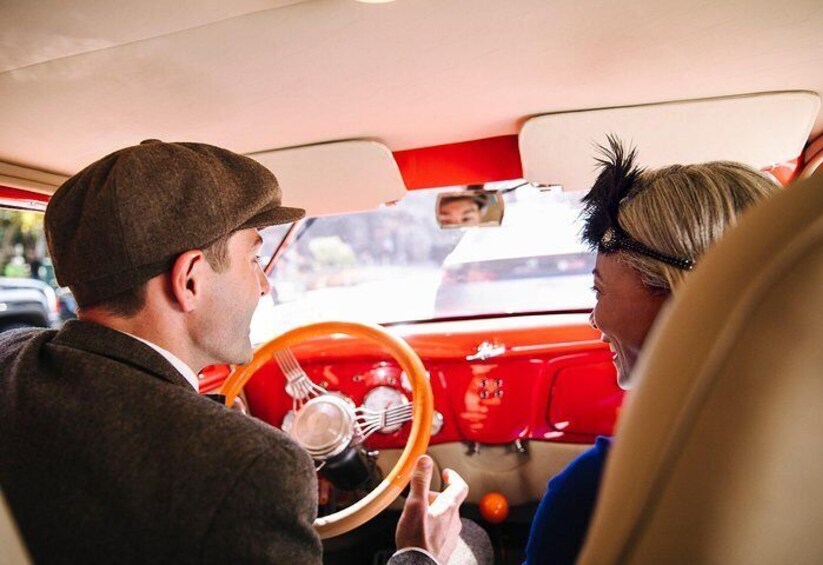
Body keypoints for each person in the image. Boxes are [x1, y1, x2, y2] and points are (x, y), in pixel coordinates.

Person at [0, 140, 470, 564]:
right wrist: (416, 555)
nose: (265, 285)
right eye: (254, 259)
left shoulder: (8, 357)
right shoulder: (252, 466)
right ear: (190, 281)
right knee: (470, 540)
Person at [523, 137, 781, 564]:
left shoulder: (601, 493)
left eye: (599, 290)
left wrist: (425, 553)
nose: (594, 319)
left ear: (684, 297)